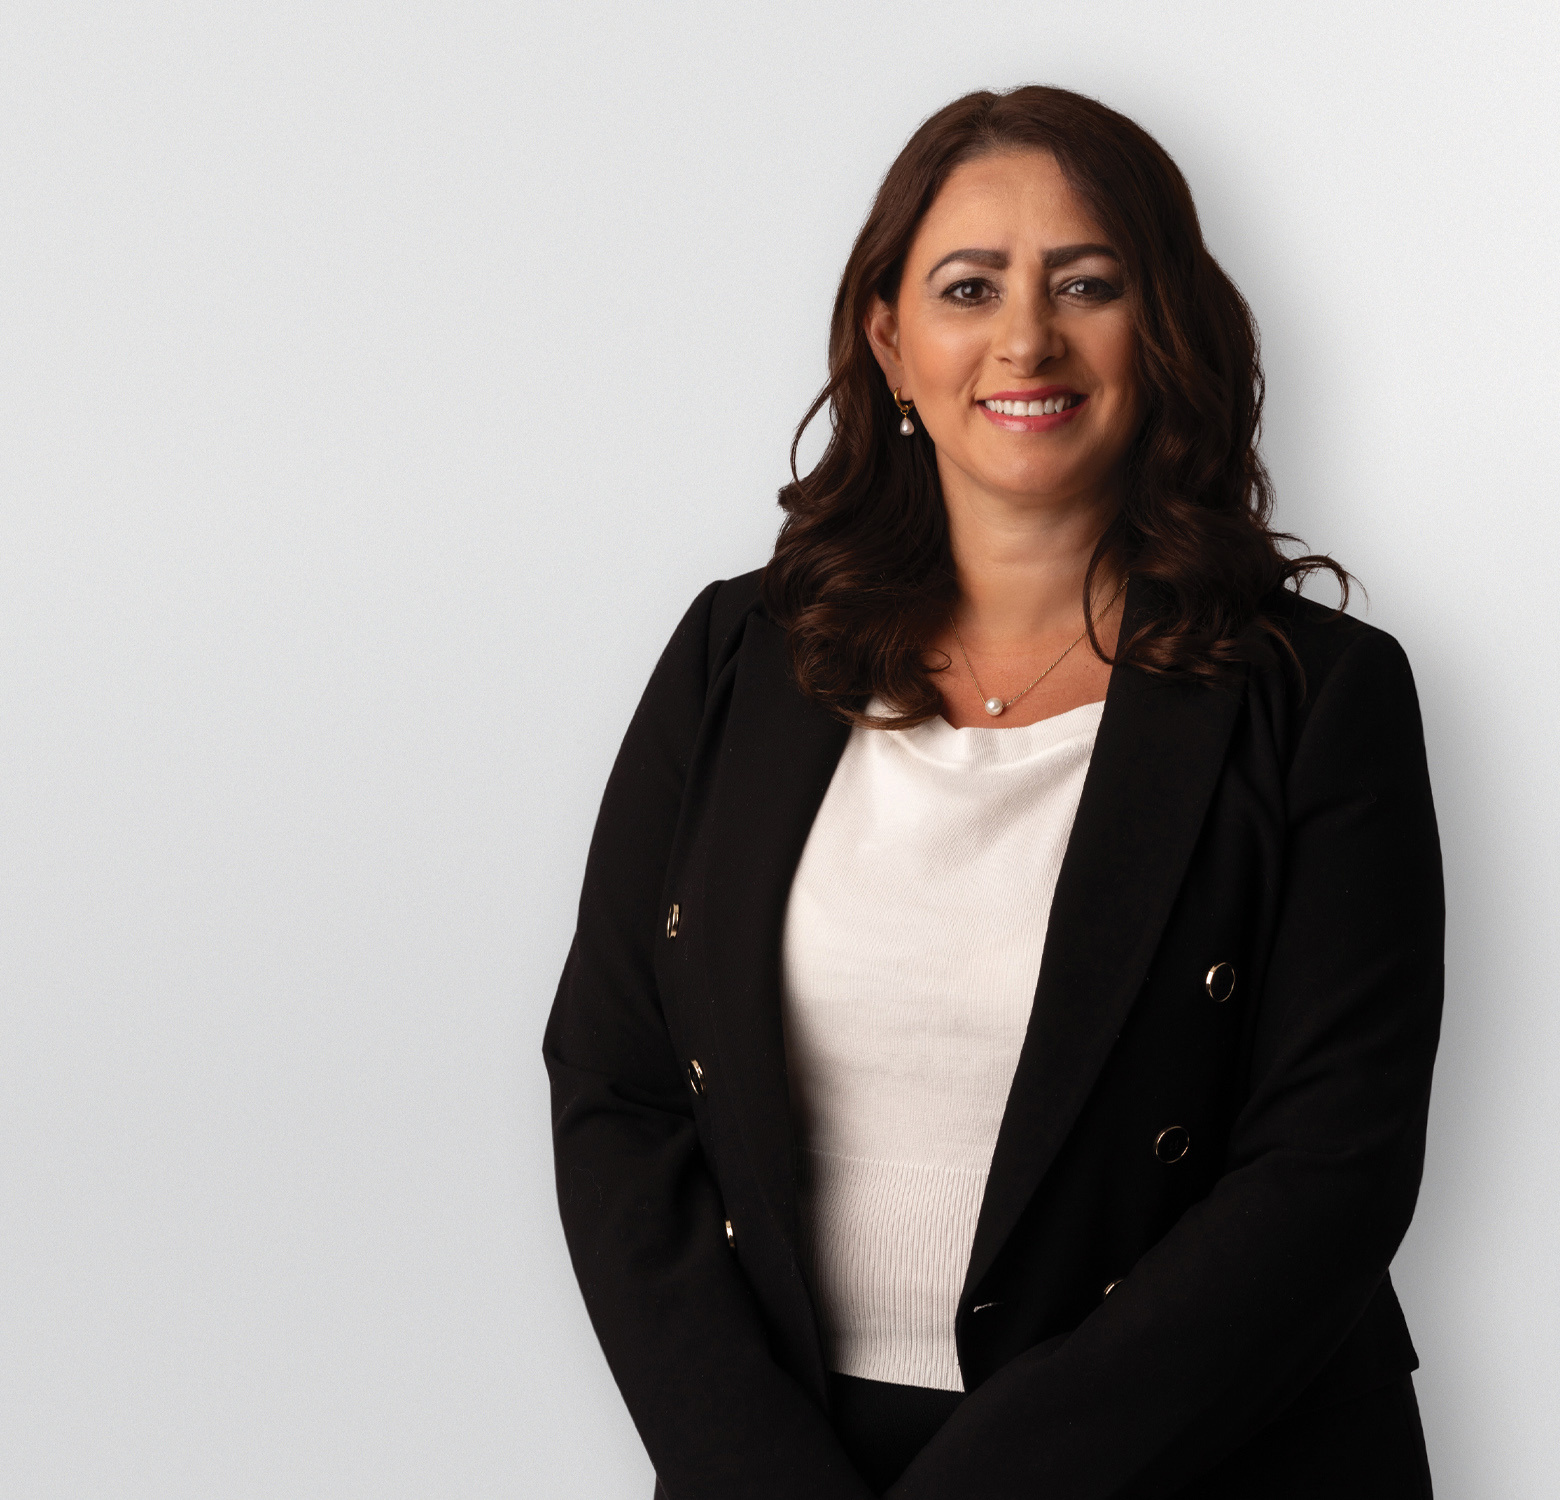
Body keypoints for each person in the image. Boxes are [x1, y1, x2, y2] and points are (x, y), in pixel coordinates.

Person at [543, 85, 1443, 1499]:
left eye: (1087, 284)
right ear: (891, 343)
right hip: (790, 1463)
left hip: (1196, 1465)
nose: (1028, 339)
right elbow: (617, 1088)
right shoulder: (738, 656)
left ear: (1164, 330)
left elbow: (1330, 1170)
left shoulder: (1320, 698)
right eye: (970, 288)